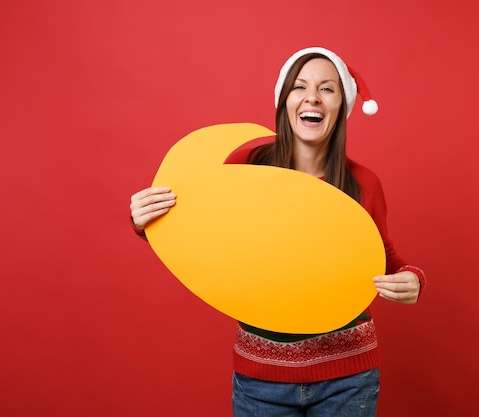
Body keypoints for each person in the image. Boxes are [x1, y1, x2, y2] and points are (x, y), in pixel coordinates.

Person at [130, 47, 425, 417]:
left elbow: (386, 260)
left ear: (342, 106)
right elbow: (195, 225)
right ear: (285, 100)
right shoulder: (243, 168)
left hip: (348, 378)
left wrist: (412, 280)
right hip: (261, 381)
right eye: (299, 86)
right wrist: (145, 220)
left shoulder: (362, 182)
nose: (312, 97)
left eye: (327, 89)